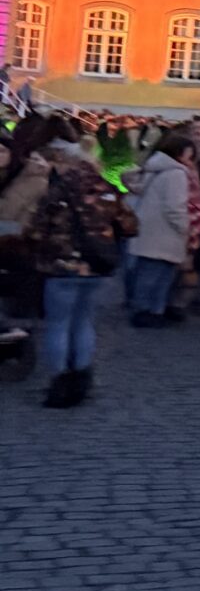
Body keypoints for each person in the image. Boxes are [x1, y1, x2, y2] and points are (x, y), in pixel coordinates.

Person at [30, 127, 134, 409]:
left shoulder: (58, 189)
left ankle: (59, 382)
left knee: (58, 324)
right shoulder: (106, 189)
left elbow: (37, 228)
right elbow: (130, 225)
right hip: (97, 266)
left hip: (62, 266)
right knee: (84, 322)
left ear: (69, 161)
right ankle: (82, 377)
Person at [124, 132, 196, 328]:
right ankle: (151, 311)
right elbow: (175, 207)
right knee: (160, 275)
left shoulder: (154, 167)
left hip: (148, 229)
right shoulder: (176, 174)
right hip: (166, 232)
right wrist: (185, 227)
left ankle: (145, 310)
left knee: (147, 272)